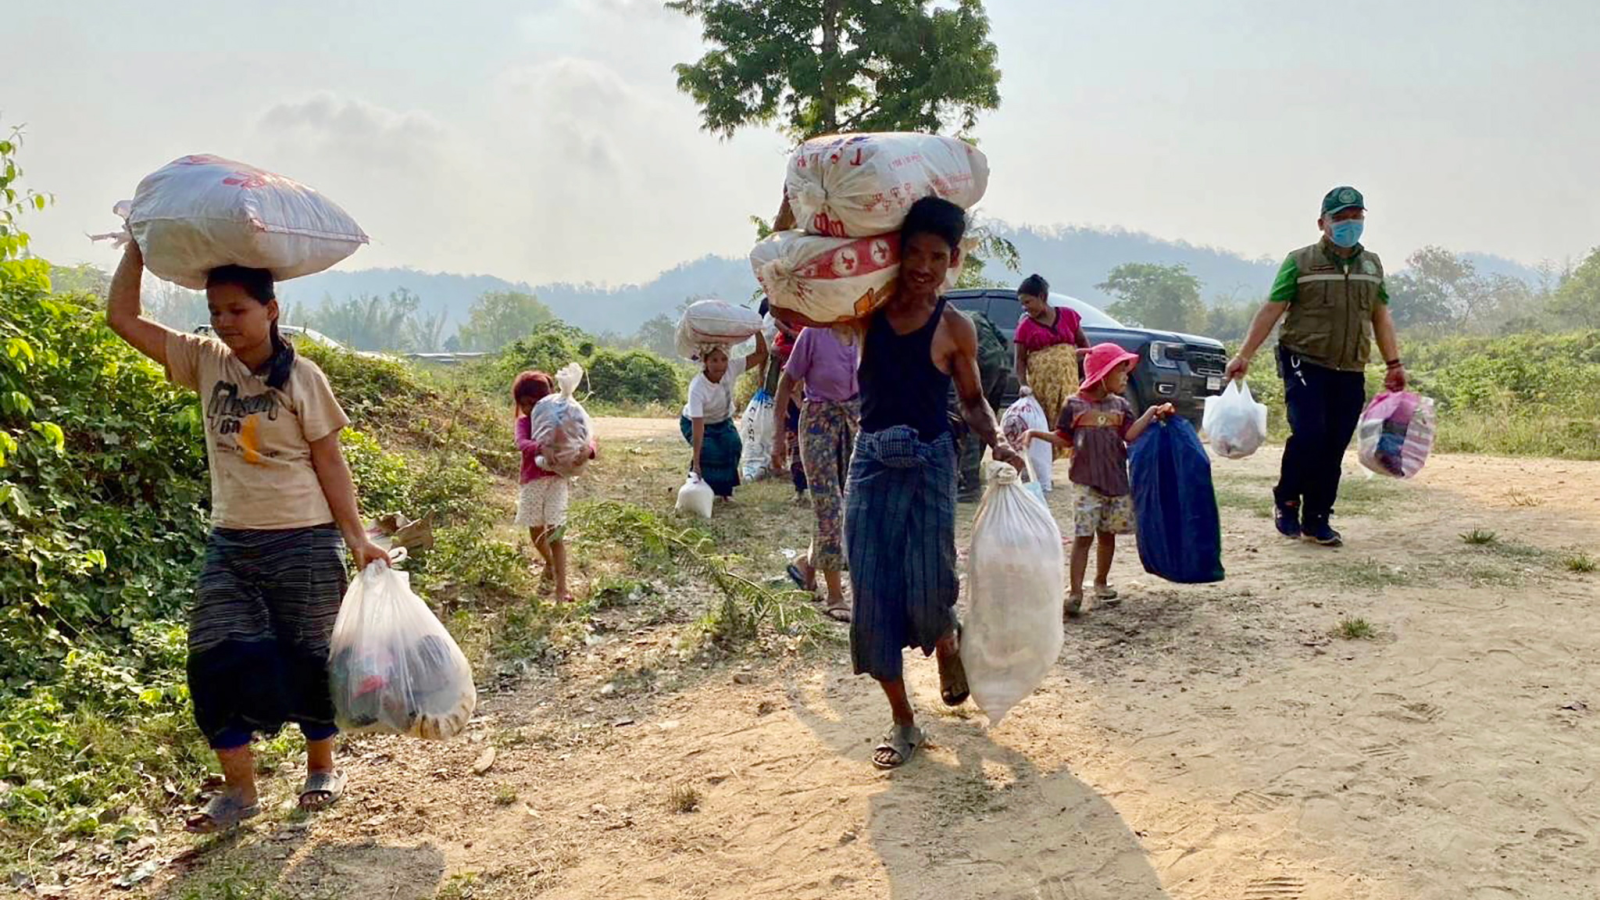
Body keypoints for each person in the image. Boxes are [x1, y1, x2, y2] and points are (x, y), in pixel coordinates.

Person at [105, 241, 390, 833]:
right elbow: (123, 319)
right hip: (232, 543)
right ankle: (241, 792)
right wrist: (138, 246)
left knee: (310, 658)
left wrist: (356, 536)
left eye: (237, 310)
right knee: (213, 661)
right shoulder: (205, 361)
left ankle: (321, 767)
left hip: (304, 539)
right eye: (215, 311)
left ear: (271, 310)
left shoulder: (303, 377)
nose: (224, 322)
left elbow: (330, 462)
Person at [845, 196, 1026, 770]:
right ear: (896, 255)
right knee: (871, 597)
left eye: (938, 256)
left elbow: (972, 402)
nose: (924, 266)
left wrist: (997, 439)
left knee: (930, 587)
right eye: (915, 253)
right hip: (870, 464)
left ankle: (946, 639)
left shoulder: (955, 327)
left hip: (929, 464)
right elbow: (792, 298)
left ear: (952, 262)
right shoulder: (862, 313)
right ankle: (903, 722)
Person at [1224, 186, 1407, 547]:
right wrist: (1245, 355)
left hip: (1350, 366)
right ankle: (1287, 499)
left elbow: (1380, 316)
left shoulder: (1371, 265)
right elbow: (1272, 309)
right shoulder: (1300, 262)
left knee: (1335, 443)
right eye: (1340, 217)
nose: (1349, 223)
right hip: (1304, 360)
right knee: (1310, 434)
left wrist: (1393, 363)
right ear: (1322, 222)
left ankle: (1318, 518)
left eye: (1356, 216)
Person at [1029, 343, 1174, 617]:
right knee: (1083, 537)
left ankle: (1101, 582)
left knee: (1107, 536)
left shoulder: (1120, 405)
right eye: (1121, 371)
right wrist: (1037, 434)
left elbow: (1129, 435)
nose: (1126, 377)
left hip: (1115, 482)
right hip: (1085, 483)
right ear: (1103, 373)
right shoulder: (1074, 405)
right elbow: (1064, 437)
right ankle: (1075, 592)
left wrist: (1152, 412)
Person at [772, 326, 859, 622]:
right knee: (828, 505)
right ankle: (835, 594)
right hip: (818, 423)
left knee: (853, 504)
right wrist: (778, 439)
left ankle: (806, 565)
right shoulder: (813, 334)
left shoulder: (866, 332)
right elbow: (786, 383)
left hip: (856, 422)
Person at [513, 370, 596, 603]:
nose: (528, 409)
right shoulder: (525, 423)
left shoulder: (564, 416)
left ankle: (562, 589)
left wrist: (588, 451)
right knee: (535, 529)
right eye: (524, 404)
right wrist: (539, 448)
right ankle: (549, 563)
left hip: (558, 480)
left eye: (533, 403)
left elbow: (585, 436)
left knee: (556, 533)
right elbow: (521, 442)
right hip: (532, 481)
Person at [682, 335, 769, 502]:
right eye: (714, 360)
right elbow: (698, 427)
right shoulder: (697, 387)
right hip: (695, 423)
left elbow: (761, 354)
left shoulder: (732, 368)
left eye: (723, 359)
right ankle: (700, 487)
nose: (720, 365)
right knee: (708, 450)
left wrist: (757, 331)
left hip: (722, 420)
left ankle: (724, 493)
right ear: (705, 362)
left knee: (732, 445)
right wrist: (697, 463)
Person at [1013, 273, 1090, 453]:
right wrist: (1024, 385)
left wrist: (1084, 376)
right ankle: (1044, 471)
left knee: (1070, 421)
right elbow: (1020, 360)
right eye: (1022, 303)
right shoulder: (1025, 326)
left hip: (1068, 384)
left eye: (1028, 302)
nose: (1025, 308)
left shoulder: (1068, 316)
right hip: (1042, 388)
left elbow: (1085, 346)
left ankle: (1076, 469)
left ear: (1042, 297)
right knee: (1045, 423)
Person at [950, 309, 1013, 503]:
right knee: (986, 420)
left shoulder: (947, 322)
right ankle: (972, 475)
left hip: (980, 365)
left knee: (969, 420)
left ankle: (969, 485)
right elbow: (1003, 340)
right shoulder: (975, 315)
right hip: (1002, 365)